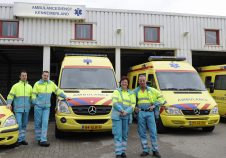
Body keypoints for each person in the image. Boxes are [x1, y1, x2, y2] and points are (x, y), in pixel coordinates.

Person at [32, 71, 70, 147]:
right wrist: (35, 103)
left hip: (46, 108)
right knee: (38, 123)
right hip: (38, 107)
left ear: (48, 76)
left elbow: (57, 91)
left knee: (45, 123)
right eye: (44, 75)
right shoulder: (37, 84)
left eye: (47, 76)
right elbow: (33, 95)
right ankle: (38, 138)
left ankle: (43, 140)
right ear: (42, 75)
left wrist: (65, 96)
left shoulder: (51, 84)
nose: (45, 77)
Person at [134, 75, 165, 158]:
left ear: (146, 81)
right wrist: (134, 107)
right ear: (138, 82)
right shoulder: (135, 91)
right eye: (140, 81)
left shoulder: (152, 90)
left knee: (153, 132)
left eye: (143, 80)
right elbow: (130, 102)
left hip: (150, 113)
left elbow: (162, 99)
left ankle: (155, 150)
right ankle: (145, 150)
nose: (142, 82)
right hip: (141, 113)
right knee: (142, 132)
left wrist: (154, 105)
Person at [111, 76, 136, 158]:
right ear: (120, 83)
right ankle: (118, 153)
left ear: (128, 83)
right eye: (123, 81)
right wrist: (122, 110)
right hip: (117, 116)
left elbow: (133, 105)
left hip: (126, 116)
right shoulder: (116, 91)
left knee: (125, 135)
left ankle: (123, 152)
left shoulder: (131, 93)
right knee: (118, 134)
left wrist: (126, 112)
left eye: (126, 82)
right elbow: (114, 103)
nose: (124, 83)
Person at [7, 70, 32, 146]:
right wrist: (9, 103)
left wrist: (35, 103)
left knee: (24, 124)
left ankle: (22, 139)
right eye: (23, 75)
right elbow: (10, 95)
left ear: (27, 76)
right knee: (19, 124)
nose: (24, 77)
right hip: (18, 109)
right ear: (20, 77)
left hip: (26, 109)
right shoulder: (15, 86)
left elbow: (32, 97)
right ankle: (17, 139)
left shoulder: (30, 87)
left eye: (25, 75)